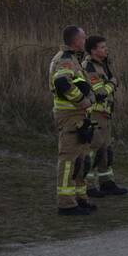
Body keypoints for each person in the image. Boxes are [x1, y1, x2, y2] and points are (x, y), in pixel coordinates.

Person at [48, 25, 96, 216]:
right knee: (69, 160)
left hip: (79, 116)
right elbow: (62, 82)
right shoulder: (65, 60)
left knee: (81, 159)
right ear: (76, 41)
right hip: (69, 116)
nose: (85, 41)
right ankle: (66, 204)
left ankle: (80, 198)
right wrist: (82, 100)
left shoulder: (74, 58)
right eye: (83, 38)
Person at [83, 35, 128, 197]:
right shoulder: (89, 67)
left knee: (105, 149)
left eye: (105, 46)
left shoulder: (104, 64)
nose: (106, 49)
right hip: (95, 114)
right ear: (93, 50)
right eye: (102, 47)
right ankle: (87, 186)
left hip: (105, 113)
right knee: (93, 150)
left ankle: (107, 183)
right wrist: (112, 83)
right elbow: (100, 92)